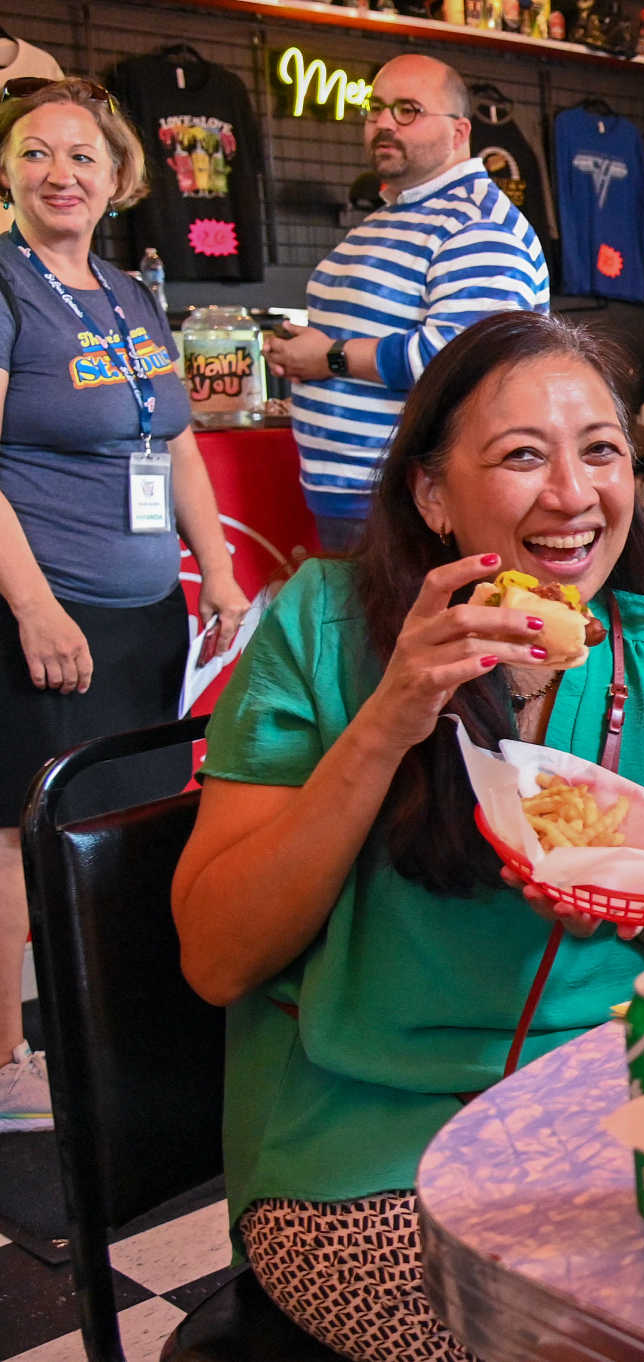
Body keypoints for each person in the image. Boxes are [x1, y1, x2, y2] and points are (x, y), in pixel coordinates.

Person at [172, 311, 644, 1362]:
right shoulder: (320, 629)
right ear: (433, 495)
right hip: (369, 1150)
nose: (573, 497)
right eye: (522, 456)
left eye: (602, 452)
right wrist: (391, 719)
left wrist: (640, 898)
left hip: (606, 1113)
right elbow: (218, 957)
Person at [0, 77, 249, 1132]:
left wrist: (219, 573)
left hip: (147, 615)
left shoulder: (125, 292)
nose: (61, 173)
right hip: (46, 616)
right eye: (37, 154)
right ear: (8, 172)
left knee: (122, 821)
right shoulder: (4, 288)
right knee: (17, 841)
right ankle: (7, 1064)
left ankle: (106, 1028)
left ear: (118, 180)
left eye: (82, 158)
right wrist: (32, 608)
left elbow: (176, 441)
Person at [262, 54, 548, 554]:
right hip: (356, 499)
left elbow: (460, 361)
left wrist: (328, 357)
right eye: (376, 109)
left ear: (460, 132)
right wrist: (299, 354)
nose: (384, 124)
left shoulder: (475, 223)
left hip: (413, 503)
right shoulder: (393, 216)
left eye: (408, 110)